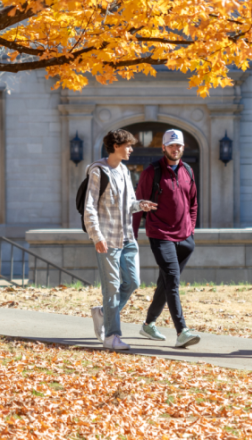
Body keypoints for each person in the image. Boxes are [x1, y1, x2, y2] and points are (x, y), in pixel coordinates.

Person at [84, 129, 158, 350]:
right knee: (112, 288)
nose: (131, 149)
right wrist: (97, 236)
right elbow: (89, 207)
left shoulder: (125, 170)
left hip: (127, 238)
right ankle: (111, 337)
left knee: (133, 282)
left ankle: (102, 313)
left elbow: (129, 203)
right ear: (116, 146)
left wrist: (140, 205)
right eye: (127, 145)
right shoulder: (98, 171)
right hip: (107, 239)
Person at [132, 129, 201, 348]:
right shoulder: (151, 172)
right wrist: (131, 237)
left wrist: (190, 229)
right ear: (163, 147)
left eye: (179, 145)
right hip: (160, 234)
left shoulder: (188, 170)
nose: (175, 148)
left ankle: (149, 324)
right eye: (171, 145)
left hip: (185, 238)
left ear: (183, 147)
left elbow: (193, 203)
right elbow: (137, 205)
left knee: (165, 282)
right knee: (172, 279)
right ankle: (182, 331)